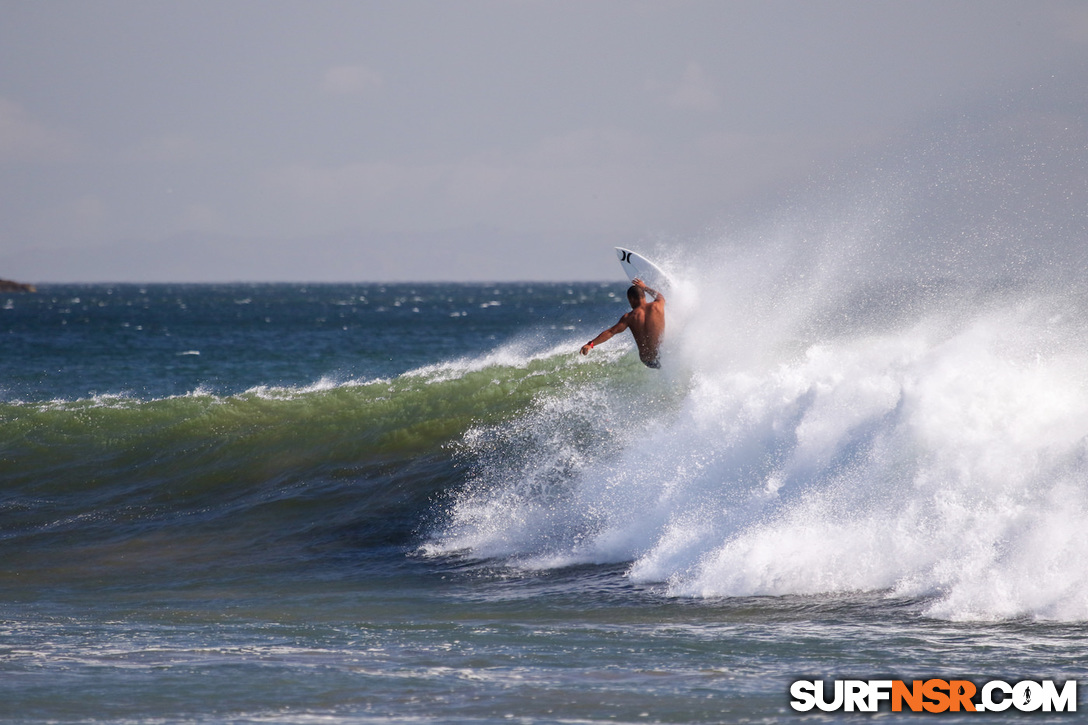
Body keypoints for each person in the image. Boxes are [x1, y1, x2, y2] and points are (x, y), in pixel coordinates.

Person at [580, 278, 665, 368]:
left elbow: (611, 332)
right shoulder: (657, 305)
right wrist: (644, 287)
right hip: (662, 356)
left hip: (647, 360)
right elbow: (660, 296)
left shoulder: (629, 317)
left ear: (631, 299)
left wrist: (591, 344)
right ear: (643, 295)